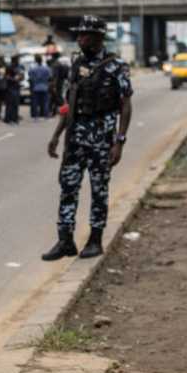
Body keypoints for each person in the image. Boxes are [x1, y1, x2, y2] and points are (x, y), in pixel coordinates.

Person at [44, 15, 132, 261]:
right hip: (75, 138)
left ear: (98, 37)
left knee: (99, 190)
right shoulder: (76, 65)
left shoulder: (116, 66)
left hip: (102, 140)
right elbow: (69, 103)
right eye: (79, 34)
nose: (79, 38)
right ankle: (65, 240)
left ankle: (95, 240)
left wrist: (120, 141)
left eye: (84, 35)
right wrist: (56, 136)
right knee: (68, 187)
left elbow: (126, 105)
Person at [28, 54, 51, 119]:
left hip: (36, 87)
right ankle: (46, 115)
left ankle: (36, 116)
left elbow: (30, 76)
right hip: (45, 87)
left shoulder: (33, 69)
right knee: (45, 102)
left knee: (36, 103)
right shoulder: (46, 68)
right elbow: (49, 77)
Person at [4, 55, 23, 124]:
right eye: (17, 60)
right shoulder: (9, 67)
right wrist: (14, 79)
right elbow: (7, 77)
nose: (18, 61)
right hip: (10, 88)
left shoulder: (18, 67)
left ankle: (15, 118)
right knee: (10, 104)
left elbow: (21, 76)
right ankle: (9, 119)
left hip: (16, 87)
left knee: (16, 103)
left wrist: (20, 77)